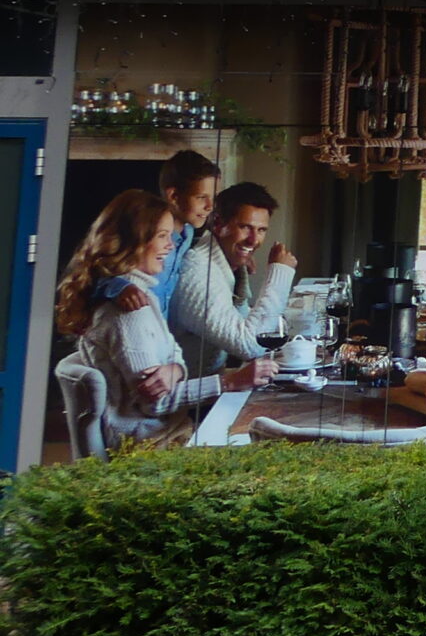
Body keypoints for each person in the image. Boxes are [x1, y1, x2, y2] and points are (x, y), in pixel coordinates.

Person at [55, 190, 273, 446]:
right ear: (132, 240)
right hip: (152, 445)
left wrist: (175, 369)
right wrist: (231, 382)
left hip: (171, 431)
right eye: (162, 236)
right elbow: (156, 402)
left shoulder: (139, 292)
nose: (171, 246)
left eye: (171, 236)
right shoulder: (129, 311)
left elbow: (174, 353)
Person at [169, 182, 297, 375]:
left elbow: (243, 323)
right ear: (219, 224)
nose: (254, 240)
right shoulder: (198, 271)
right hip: (190, 399)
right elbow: (251, 346)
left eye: (261, 230)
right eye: (245, 227)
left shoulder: (226, 263)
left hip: (217, 382)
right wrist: (279, 272)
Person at [94, 149, 219, 321]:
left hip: (160, 329)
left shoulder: (188, 233)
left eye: (213, 197)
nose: (210, 206)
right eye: (201, 197)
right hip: (134, 321)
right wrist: (120, 288)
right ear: (174, 196)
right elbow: (98, 271)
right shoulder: (145, 234)